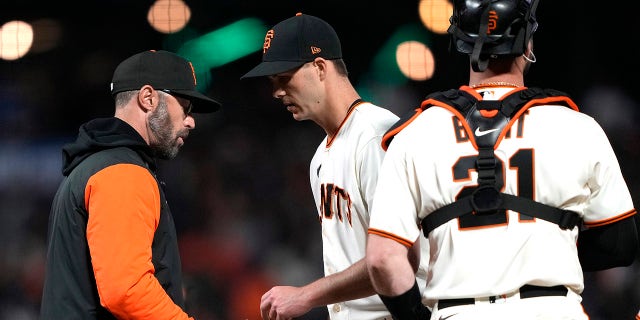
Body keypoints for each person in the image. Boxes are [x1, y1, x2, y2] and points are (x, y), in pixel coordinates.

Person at [365, 0, 639, 319]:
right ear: (528, 45)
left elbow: (382, 258)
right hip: (552, 310)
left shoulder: (415, 134)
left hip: (459, 312)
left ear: (461, 43)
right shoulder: (576, 126)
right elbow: (620, 244)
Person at [241, 12, 428, 320]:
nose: (277, 92)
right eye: (273, 82)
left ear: (319, 67)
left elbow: (401, 255)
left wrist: (307, 294)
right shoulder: (320, 158)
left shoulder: (376, 136)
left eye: (284, 77)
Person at [39, 49, 222, 320]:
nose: (190, 121)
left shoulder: (94, 165)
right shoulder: (122, 171)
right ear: (148, 98)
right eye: (184, 106)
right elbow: (126, 290)